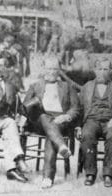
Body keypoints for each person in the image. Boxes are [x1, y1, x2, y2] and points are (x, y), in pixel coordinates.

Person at [23, 56, 80, 188]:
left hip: (61, 121)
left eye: (55, 69)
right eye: (49, 68)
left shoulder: (67, 86)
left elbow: (75, 108)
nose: (52, 72)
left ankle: (48, 177)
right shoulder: (35, 85)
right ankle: (61, 145)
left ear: (59, 70)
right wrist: (32, 105)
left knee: (51, 135)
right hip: (39, 122)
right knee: (44, 118)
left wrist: (66, 117)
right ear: (44, 69)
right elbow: (24, 107)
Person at [76, 57, 112, 187]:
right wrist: (78, 126)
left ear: (111, 71)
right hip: (92, 120)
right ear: (95, 70)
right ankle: (90, 173)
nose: (102, 72)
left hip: (111, 121)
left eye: (106, 69)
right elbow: (79, 108)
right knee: (87, 134)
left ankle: (108, 174)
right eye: (99, 69)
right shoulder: (86, 87)